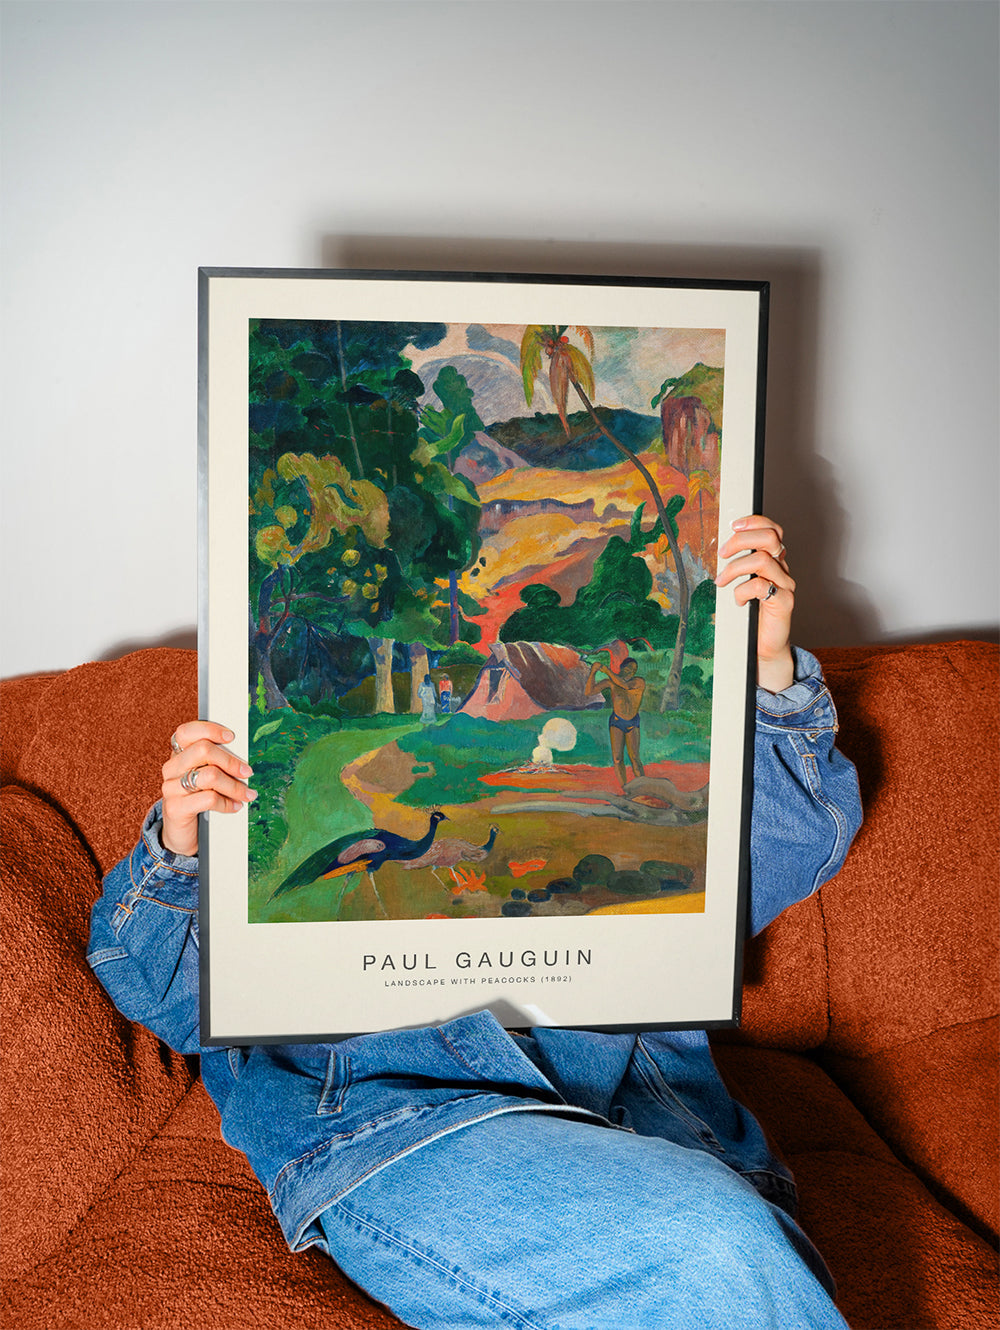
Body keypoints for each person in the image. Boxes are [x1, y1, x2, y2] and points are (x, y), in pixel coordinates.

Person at [87, 516, 862, 1329]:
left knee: (724, 1242)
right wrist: (181, 849)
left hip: (639, 1112)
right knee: (719, 1247)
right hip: (398, 1116)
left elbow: (781, 854)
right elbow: (161, 995)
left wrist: (767, 675)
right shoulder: (261, 788)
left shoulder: (592, 778)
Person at [585, 655, 646, 788]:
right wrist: (593, 672)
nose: (631, 671)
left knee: (635, 758)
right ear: (622, 667)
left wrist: (606, 670)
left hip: (632, 722)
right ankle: (625, 789)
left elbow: (624, 685)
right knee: (617, 759)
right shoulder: (610, 682)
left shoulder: (638, 682)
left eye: (634, 669)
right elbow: (589, 692)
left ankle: (643, 787)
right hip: (617, 721)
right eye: (629, 668)